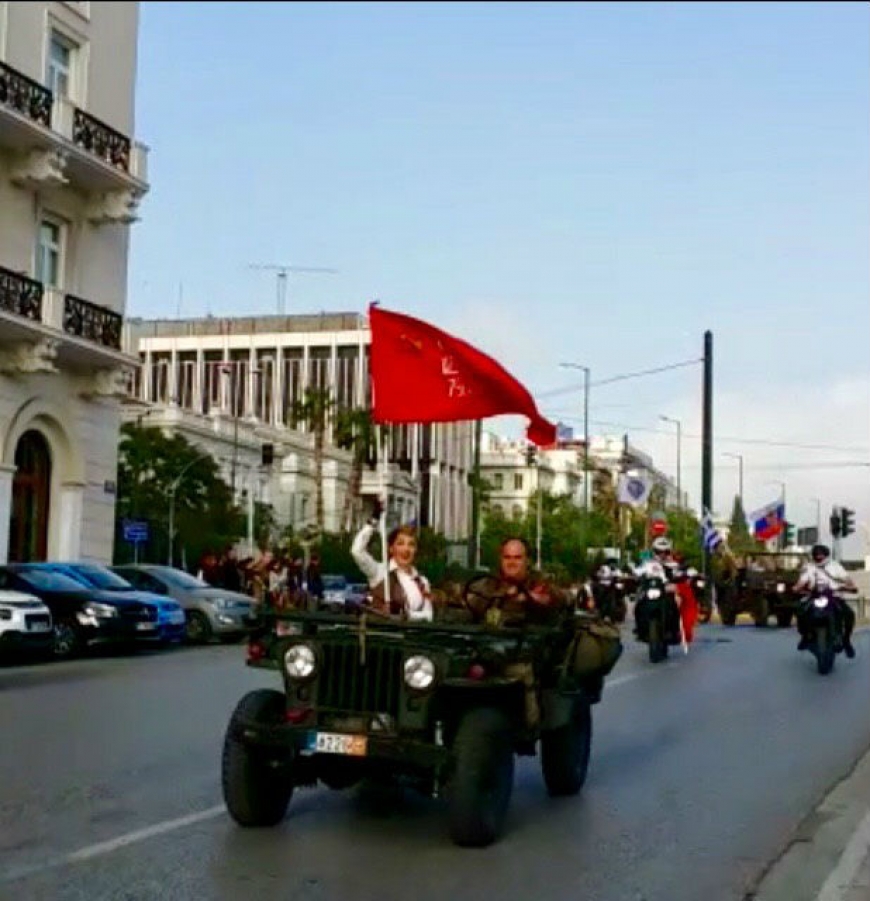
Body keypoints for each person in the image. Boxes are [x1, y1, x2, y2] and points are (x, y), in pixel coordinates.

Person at [463, 537, 568, 730]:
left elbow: (557, 599)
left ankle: (529, 724)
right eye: (507, 557)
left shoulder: (538, 583)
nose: (512, 562)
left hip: (523, 650)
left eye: (517, 557)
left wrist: (530, 598)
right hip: (486, 647)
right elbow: (467, 605)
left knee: (520, 672)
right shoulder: (489, 584)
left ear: (526, 560)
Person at [351, 500, 433, 621]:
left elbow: (429, 615)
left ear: (416, 550)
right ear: (391, 549)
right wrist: (373, 521)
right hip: (384, 637)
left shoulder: (422, 581)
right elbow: (357, 551)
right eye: (400, 544)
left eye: (411, 545)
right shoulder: (379, 572)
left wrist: (406, 615)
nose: (406, 549)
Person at [793, 544, 857, 658]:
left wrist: (850, 586)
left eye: (821, 555)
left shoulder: (835, 565)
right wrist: (797, 587)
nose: (819, 557)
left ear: (826, 555)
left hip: (834, 596)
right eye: (816, 555)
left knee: (849, 614)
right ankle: (805, 637)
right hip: (814, 596)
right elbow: (802, 581)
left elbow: (847, 578)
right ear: (813, 556)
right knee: (800, 611)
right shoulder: (809, 567)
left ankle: (846, 641)